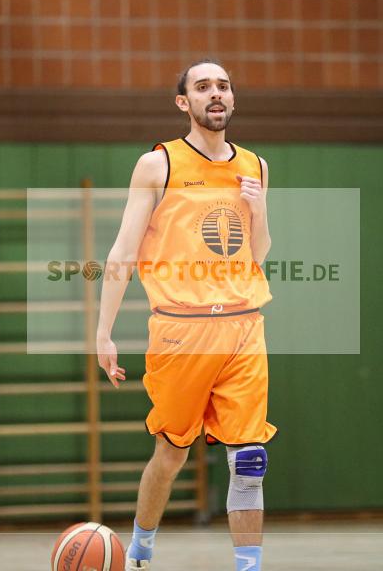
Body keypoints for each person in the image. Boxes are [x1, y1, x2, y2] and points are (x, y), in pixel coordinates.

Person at [96, 59, 276, 571]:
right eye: (202, 87)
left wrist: (259, 209)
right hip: (181, 330)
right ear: (184, 102)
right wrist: (103, 333)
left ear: (232, 99)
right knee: (172, 453)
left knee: (249, 460)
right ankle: (142, 544)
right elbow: (123, 251)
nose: (215, 93)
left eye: (223, 86)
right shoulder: (158, 165)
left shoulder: (256, 166)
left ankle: (248, 565)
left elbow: (259, 253)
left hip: (244, 325)